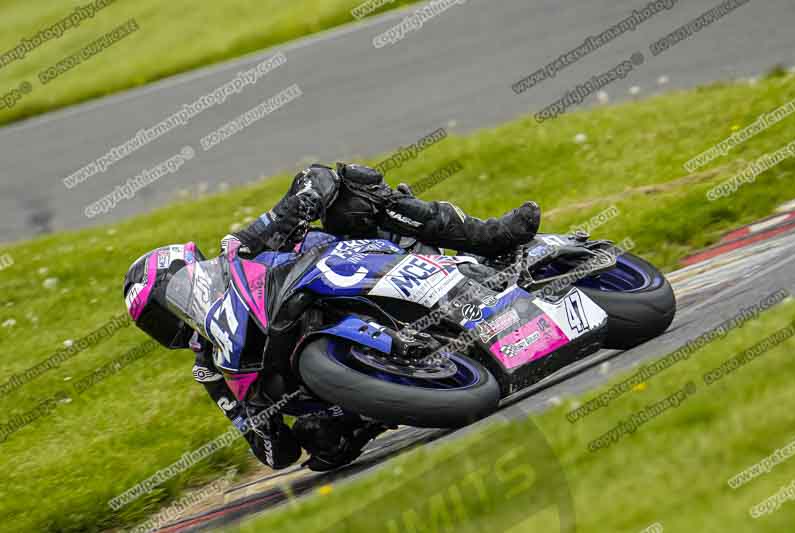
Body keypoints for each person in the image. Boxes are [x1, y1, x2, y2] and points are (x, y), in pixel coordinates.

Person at [123, 162, 540, 471]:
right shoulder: (212, 369)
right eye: (156, 323)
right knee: (323, 446)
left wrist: (303, 204)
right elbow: (275, 453)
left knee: (355, 192)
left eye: (165, 307)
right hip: (347, 392)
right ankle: (396, 391)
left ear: (190, 272)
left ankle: (491, 238)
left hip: (365, 259)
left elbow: (317, 177)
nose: (171, 323)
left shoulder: (243, 248)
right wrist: (269, 425)